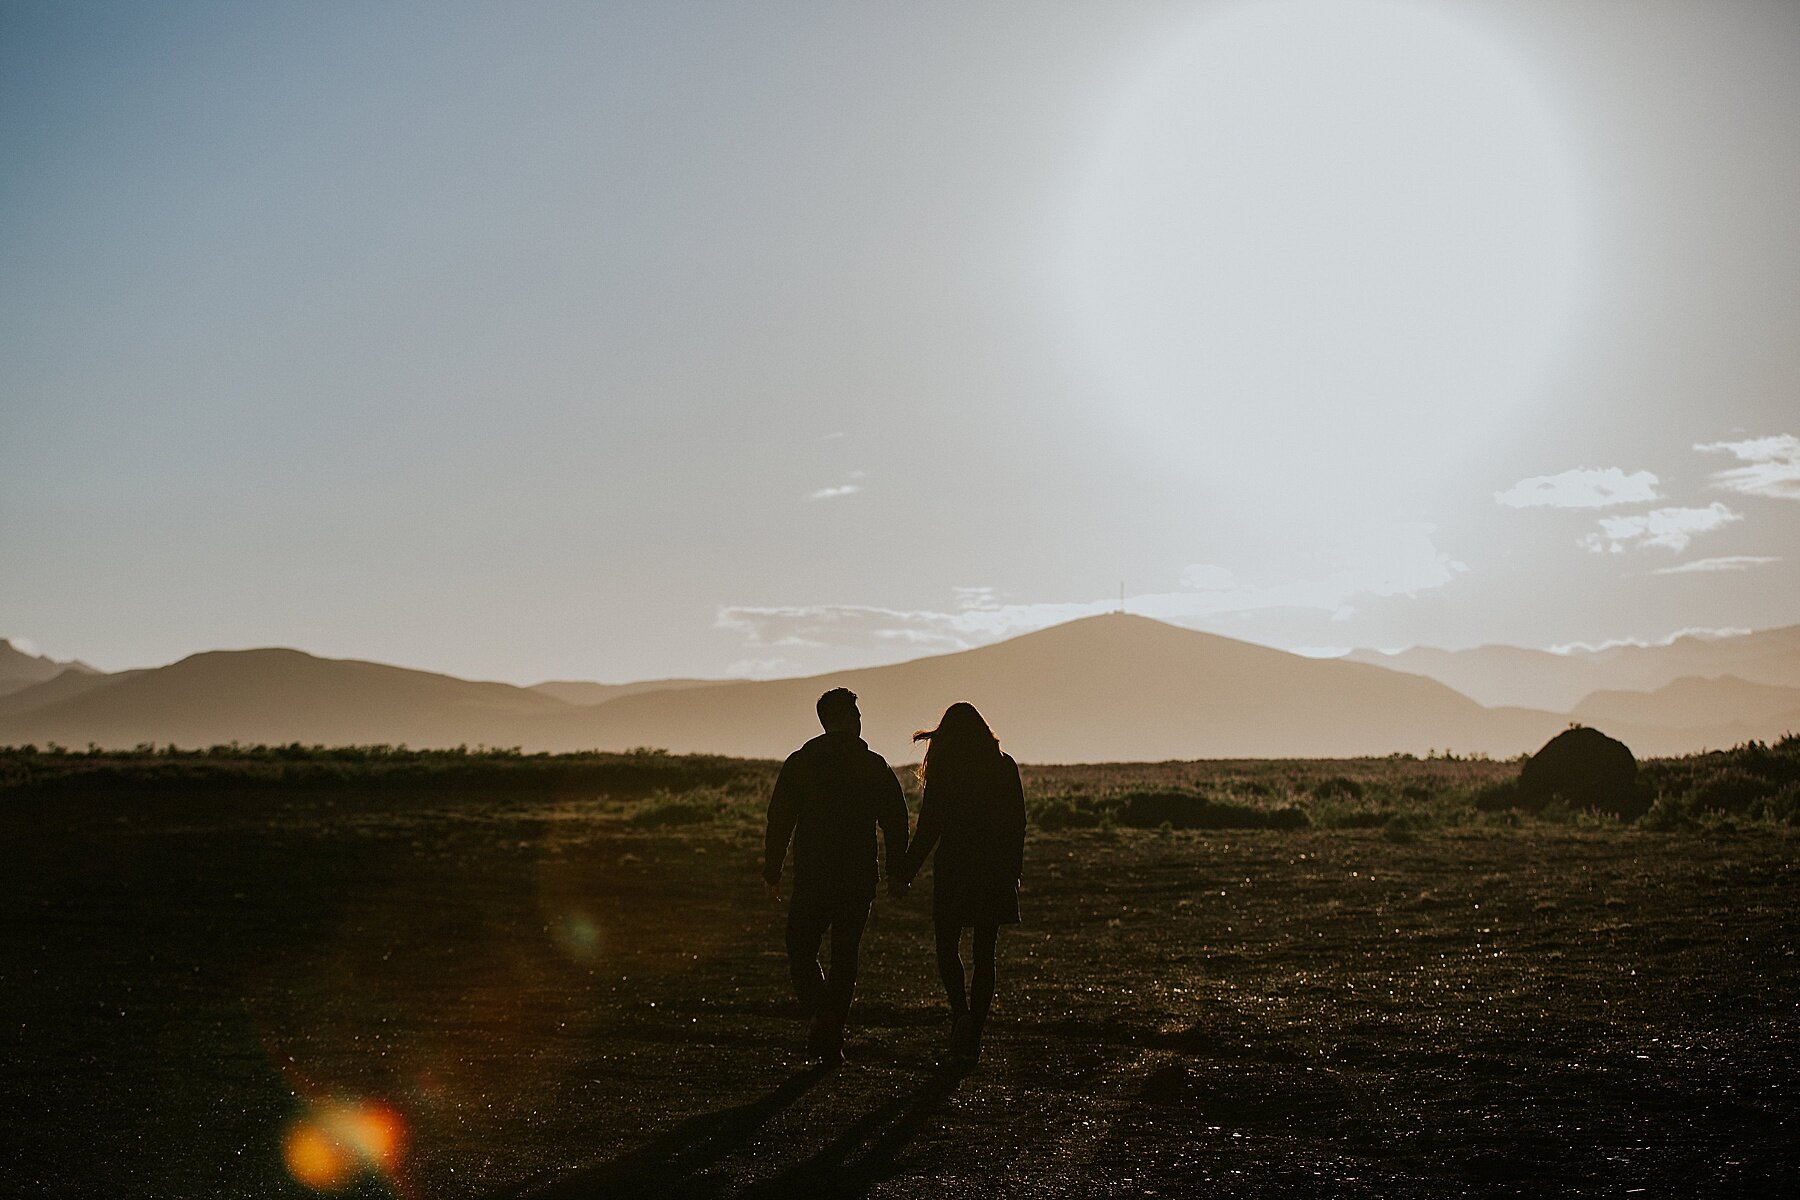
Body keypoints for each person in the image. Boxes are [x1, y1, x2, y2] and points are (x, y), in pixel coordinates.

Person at [763, 687, 909, 1064]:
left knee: (800, 945)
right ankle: (828, 1023)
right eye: (857, 714)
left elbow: (779, 820)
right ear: (848, 718)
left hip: (813, 872)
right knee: (845, 954)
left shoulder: (801, 762)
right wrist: (896, 871)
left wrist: (772, 869)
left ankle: (822, 1017)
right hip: (859, 875)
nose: (861, 721)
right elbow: (895, 820)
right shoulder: (872, 765)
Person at [894, 702, 1026, 1063]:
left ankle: (960, 1014)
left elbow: (929, 828)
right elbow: (1017, 825)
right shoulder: (1003, 766)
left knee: (946, 946)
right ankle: (975, 1031)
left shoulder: (945, 770)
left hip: (954, 869)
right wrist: (1013, 872)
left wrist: (905, 872)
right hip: (994, 870)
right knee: (985, 954)